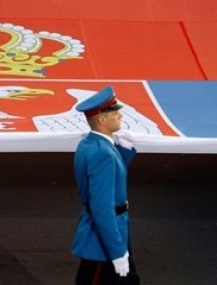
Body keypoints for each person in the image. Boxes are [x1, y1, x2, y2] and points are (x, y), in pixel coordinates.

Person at [72, 86, 140, 285]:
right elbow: (102, 206)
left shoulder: (92, 144)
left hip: (108, 232)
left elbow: (109, 178)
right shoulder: (103, 153)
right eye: (114, 112)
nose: (120, 115)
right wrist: (117, 251)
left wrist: (123, 152)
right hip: (105, 239)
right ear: (101, 119)